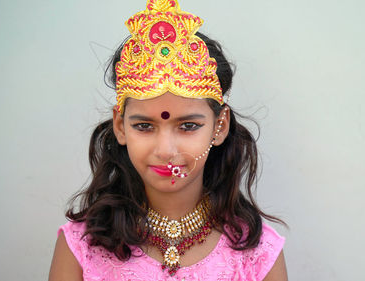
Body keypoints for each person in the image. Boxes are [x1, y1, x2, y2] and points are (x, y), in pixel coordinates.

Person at [49, 0, 288, 280]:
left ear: (219, 126)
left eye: (188, 126)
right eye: (144, 126)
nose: (165, 150)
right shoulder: (82, 246)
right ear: (120, 126)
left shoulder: (256, 251)